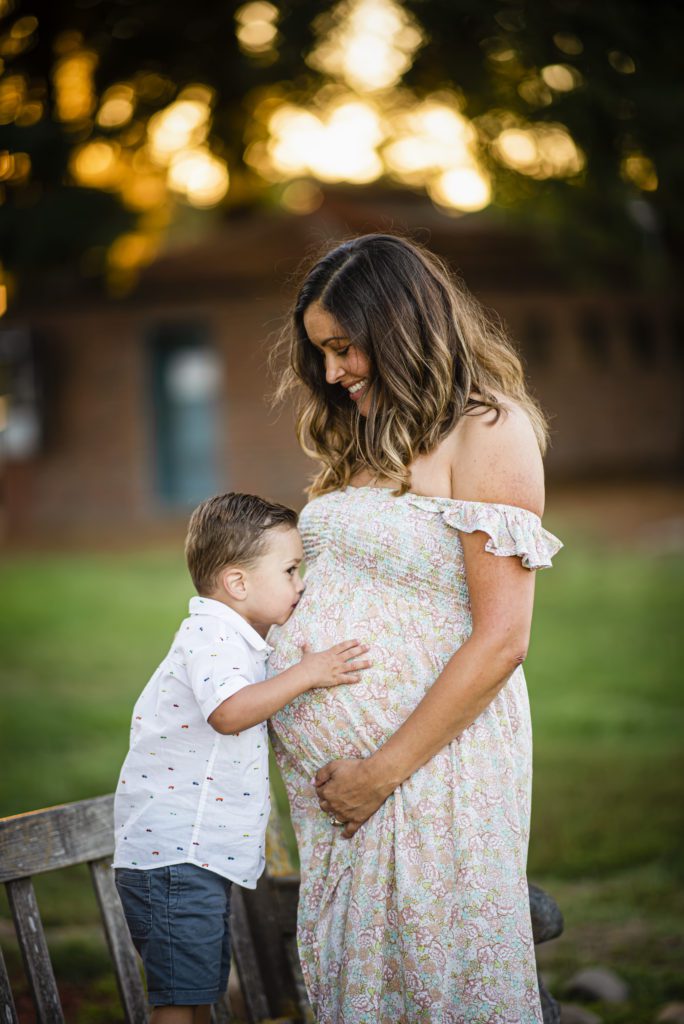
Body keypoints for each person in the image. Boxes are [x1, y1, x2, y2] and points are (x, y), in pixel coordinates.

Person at [267, 234, 563, 1024]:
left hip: (427, 767)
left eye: (343, 348)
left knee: (435, 978)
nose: (331, 373)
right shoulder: (366, 438)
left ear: (398, 326)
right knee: (362, 984)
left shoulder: (488, 431)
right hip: (342, 793)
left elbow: (503, 637)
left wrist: (381, 771)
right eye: (321, 354)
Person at [112, 492, 370, 1024]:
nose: (302, 585)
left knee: (195, 994)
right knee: (180, 1005)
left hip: (188, 856)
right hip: (176, 858)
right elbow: (228, 713)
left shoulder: (236, 639)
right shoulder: (211, 635)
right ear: (237, 583)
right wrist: (306, 674)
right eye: (292, 570)